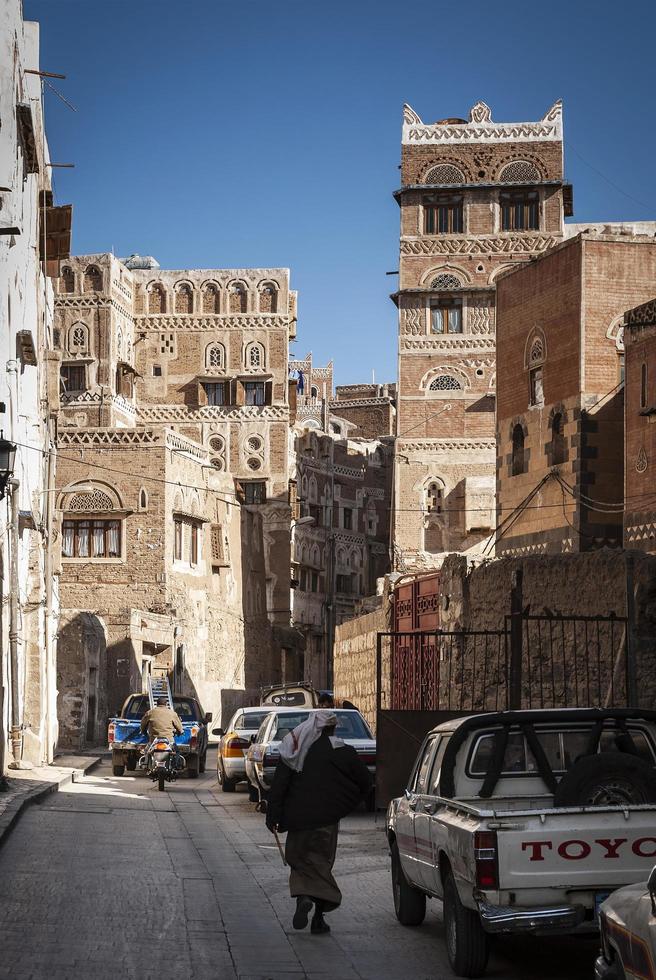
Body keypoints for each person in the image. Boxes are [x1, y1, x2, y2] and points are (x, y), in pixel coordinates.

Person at [265, 709, 371, 935]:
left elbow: (279, 785)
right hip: (327, 821)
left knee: (300, 860)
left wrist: (273, 815)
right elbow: (365, 783)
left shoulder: (294, 749)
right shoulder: (344, 752)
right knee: (322, 863)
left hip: (298, 821)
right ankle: (318, 919)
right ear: (333, 729)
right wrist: (344, 805)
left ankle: (303, 897)